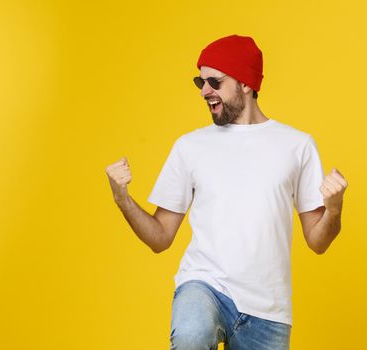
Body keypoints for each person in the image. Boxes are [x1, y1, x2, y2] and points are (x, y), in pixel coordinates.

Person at [105, 34, 348, 350]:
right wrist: (122, 199)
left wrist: (334, 207)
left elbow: (318, 242)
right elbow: (160, 238)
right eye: (200, 82)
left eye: (214, 82)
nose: (205, 91)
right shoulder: (190, 147)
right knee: (191, 335)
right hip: (205, 287)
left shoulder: (297, 145)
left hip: (268, 310)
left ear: (246, 83)